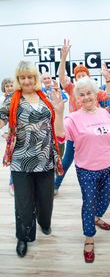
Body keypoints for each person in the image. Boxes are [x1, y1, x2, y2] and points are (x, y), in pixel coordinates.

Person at [52, 77, 110, 263]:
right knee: (89, 202)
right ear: (77, 99)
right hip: (87, 169)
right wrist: (58, 113)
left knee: (105, 200)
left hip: (108, 166)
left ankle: (97, 217)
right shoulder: (72, 118)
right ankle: (89, 238)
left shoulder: (104, 114)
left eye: (89, 93)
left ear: (95, 94)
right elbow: (60, 135)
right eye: (81, 95)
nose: (86, 97)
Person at [0, 61, 63, 258]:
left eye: (29, 77)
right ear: (18, 80)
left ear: (35, 78)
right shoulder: (12, 99)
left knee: (46, 201)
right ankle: (23, 236)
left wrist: (60, 110)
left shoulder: (44, 96)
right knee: (24, 203)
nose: (26, 81)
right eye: (22, 77)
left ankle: (44, 222)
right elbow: (2, 117)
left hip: (45, 157)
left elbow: (56, 122)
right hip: (21, 159)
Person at [54, 39, 110, 195]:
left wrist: (107, 79)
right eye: (78, 75)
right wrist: (63, 58)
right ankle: (55, 185)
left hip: (92, 133)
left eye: (84, 75)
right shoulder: (72, 88)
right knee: (67, 160)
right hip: (76, 131)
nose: (81, 77)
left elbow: (109, 94)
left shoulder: (93, 90)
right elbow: (61, 77)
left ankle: (102, 184)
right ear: (75, 78)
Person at [41, 72, 68, 157]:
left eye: (48, 78)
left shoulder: (56, 89)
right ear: (42, 80)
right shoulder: (40, 91)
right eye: (44, 78)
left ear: (51, 79)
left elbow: (65, 99)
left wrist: (56, 104)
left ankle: (59, 160)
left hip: (56, 120)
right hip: (45, 121)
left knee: (59, 143)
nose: (47, 80)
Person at [0, 78, 14, 196]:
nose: (9, 88)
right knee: (12, 158)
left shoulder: (16, 99)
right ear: (3, 88)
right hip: (8, 134)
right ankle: (12, 182)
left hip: (14, 133)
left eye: (11, 85)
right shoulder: (2, 100)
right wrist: (3, 133)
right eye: (7, 86)